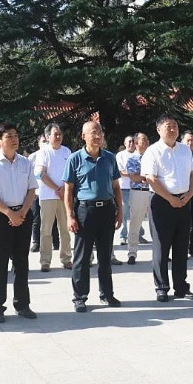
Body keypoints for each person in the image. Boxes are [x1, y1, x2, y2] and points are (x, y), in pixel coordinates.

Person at [0, 122, 39, 322]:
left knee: (22, 262)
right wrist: (9, 213)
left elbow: (31, 189)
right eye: (9, 136)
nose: (14, 139)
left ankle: (22, 304)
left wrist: (22, 211)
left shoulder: (25, 163)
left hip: (23, 214)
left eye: (15, 135)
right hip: (0, 217)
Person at [63, 121, 122, 312]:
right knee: (82, 257)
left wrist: (120, 211)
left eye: (100, 132)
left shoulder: (110, 158)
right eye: (93, 133)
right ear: (84, 136)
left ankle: (107, 294)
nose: (98, 136)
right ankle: (80, 297)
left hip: (107, 210)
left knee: (105, 256)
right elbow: (68, 190)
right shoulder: (74, 159)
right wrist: (70, 216)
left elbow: (116, 187)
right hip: (85, 211)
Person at [141, 114, 193, 302]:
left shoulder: (185, 150)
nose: (173, 129)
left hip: (184, 200)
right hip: (161, 202)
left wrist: (189, 194)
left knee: (181, 246)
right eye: (168, 126)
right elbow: (151, 179)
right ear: (159, 129)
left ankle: (181, 287)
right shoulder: (152, 151)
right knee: (161, 246)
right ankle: (161, 287)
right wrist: (170, 198)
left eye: (175, 126)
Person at [35, 123, 73, 271]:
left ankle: (66, 258)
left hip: (64, 195)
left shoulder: (67, 151)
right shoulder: (43, 152)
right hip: (47, 196)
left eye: (59, 134)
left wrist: (64, 189)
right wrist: (57, 188)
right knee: (46, 230)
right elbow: (41, 174)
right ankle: (45, 261)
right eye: (55, 134)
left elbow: (71, 173)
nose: (58, 137)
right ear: (47, 136)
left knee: (65, 228)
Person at [125, 132, 150, 264]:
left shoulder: (152, 157)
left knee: (157, 224)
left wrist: (146, 178)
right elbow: (134, 177)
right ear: (136, 143)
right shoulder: (132, 159)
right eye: (143, 140)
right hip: (138, 192)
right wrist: (150, 178)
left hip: (153, 192)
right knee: (135, 224)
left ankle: (161, 252)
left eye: (147, 140)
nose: (146, 142)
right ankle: (132, 253)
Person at [116, 135, 135, 245]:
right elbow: (120, 171)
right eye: (129, 141)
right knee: (124, 214)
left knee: (137, 213)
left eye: (133, 141)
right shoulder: (120, 155)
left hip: (136, 188)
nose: (131, 143)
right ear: (125, 143)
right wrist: (134, 175)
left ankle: (138, 235)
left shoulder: (139, 154)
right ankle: (123, 236)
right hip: (124, 188)